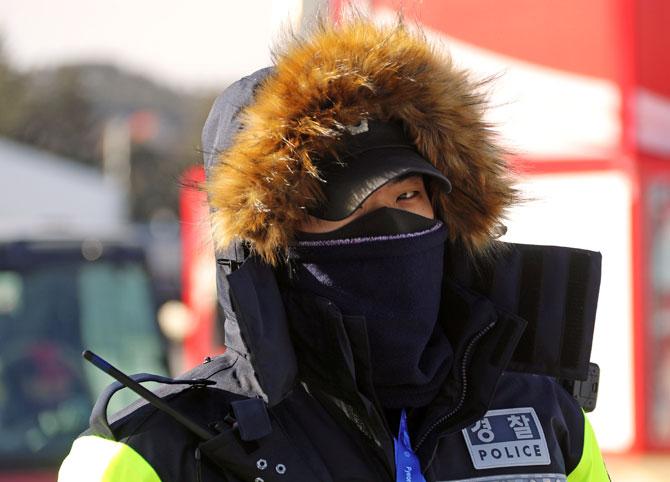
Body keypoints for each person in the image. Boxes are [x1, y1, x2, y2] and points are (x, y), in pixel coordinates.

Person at [59, 16, 610, 481]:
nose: (390, 226)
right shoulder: (155, 450)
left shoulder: (546, 414)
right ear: (272, 239)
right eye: (346, 204)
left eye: (408, 194)